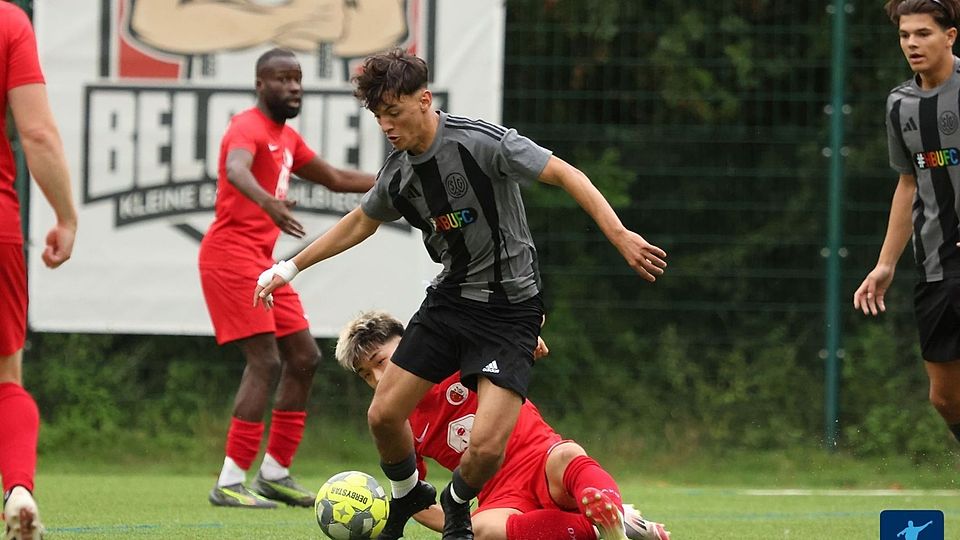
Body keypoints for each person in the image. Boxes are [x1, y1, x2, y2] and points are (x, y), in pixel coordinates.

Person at [254, 49, 666, 538]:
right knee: (383, 414)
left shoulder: (480, 143)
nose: (386, 126)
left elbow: (565, 173)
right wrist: (291, 266)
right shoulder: (400, 173)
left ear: (424, 99)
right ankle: (408, 495)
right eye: (378, 116)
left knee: (486, 450)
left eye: (394, 112)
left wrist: (619, 235)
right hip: (451, 301)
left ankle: (457, 503)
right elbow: (361, 220)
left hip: (510, 310)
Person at [199, 47, 374, 508]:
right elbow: (236, 169)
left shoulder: (287, 137)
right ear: (260, 85)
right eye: (281, 78)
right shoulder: (247, 127)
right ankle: (230, 481)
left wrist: (393, 177)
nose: (293, 86)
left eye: (297, 78)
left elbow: (334, 177)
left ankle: (274, 473)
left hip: (260, 260)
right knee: (265, 361)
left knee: (304, 356)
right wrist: (268, 202)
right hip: (229, 257)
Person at [335, 311, 671, 540]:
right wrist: (457, 524)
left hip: (540, 459)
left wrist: (523, 341)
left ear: (409, 343)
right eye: (365, 374)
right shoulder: (394, 420)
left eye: (381, 361)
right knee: (484, 530)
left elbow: (508, 323)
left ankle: (611, 510)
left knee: (567, 455)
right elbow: (413, 496)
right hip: (500, 495)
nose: (378, 377)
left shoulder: (453, 354)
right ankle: (607, 528)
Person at [854, 0, 960, 446]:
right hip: (936, 265)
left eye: (923, 33)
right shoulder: (900, 105)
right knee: (945, 398)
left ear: (950, 36)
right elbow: (908, 184)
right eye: (904, 35)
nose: (912, 43)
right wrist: (885, 264)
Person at [0, 2, 78, 538]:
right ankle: (19, 491)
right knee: (6, 380)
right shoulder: (9, 22)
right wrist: (66, 217)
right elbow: (39, 134)